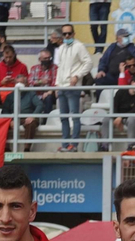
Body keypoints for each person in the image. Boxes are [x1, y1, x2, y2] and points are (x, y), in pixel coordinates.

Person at [54, 23, 91, 151]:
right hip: (62, 86)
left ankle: (74, 145)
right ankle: (65, 144)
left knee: (75, 117)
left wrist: (77, 76)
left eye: (69, 33)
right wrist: (57, 85)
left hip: (73, 86)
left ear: (74, 34)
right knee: (63, 117)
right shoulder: (61, 48)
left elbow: (89, 62)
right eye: (64, 34)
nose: (67, 35)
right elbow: (59, 67)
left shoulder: (79, 46)